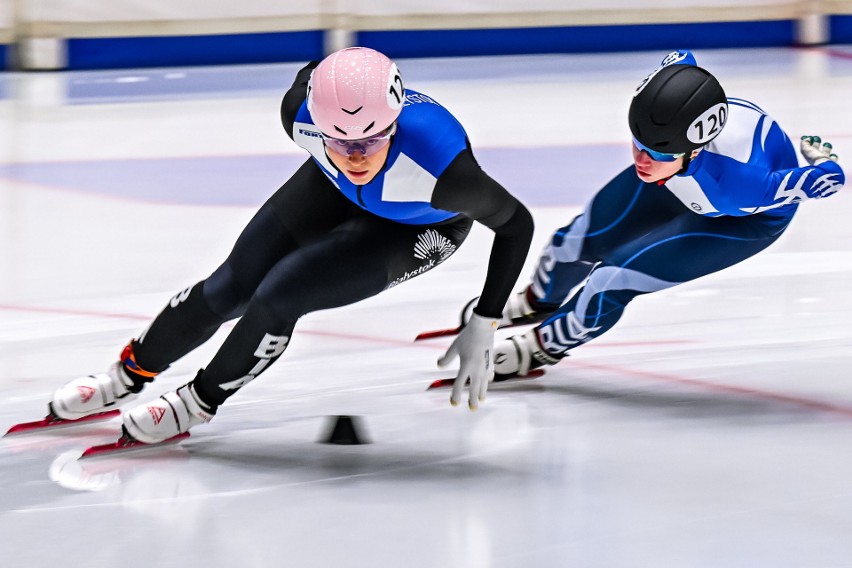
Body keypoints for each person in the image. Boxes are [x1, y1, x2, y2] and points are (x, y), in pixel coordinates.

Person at [46, 46, 534, 444]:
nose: (355, 156)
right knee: (230, 287)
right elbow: (315, 79)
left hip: (416, 227)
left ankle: (198, 401)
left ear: (395, 122)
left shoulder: (446, 175)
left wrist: (485, 320)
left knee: (282, 294)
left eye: (371, 140)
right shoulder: (299, 114)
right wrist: (338, 140)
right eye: (339, 142)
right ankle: (126, 375)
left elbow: (517, 226)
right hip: (330, 189)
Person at [475, 49, 845, 377]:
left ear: (694, 150)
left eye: (657, 153)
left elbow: (828, 180)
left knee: (611, 280)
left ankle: (540, 346)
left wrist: (822, 160)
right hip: (678, 181)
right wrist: (660, 154)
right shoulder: (663, 149)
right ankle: (537, 300)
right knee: (573, 242)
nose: (641, 159)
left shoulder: (737, 187)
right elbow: (681, 57)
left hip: (742, 220)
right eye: (638, 142)